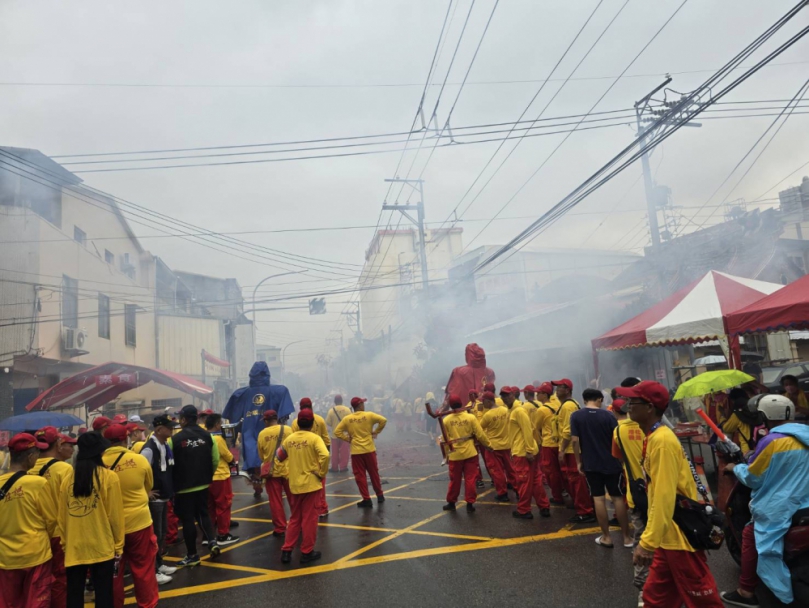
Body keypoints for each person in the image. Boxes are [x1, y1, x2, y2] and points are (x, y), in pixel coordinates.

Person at [617, 381, 723, 608]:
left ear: (649, 407)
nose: (627, 405)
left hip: (678, 537)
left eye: (632, 401)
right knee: (655, 599)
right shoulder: (654, 437)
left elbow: (664, 497)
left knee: (704, 600)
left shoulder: (662, 441)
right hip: (668, 537)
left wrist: (647, 542)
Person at [721, 393, 809, 607]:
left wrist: (736, 467)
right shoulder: (805, 434)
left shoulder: (771, 441)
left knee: (750, 534)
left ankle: (746, 591)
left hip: (782, 506)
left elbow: (754, 478)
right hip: (805, 502)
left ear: (764, 416)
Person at [59, 432, 125, 608]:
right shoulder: (109, 477)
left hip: (75, 547)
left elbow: (62, 517)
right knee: (104, 594)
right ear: (100, 452)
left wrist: (66, 544)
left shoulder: (67, 480)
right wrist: (118, 545)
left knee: (74, 594)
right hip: (102, 545)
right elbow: (115, 516)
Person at [100, 424, 160, 608]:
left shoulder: (98, 464)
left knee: (114, 573)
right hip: (139, 524)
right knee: (143, 568)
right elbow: (148, 486)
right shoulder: (139, 460)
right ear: (126, 438)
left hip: (109, 528)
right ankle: (148, 604)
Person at [0, 433, 57, 608]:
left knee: (8, 603)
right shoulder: (37, 483)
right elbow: (52, 521)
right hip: (35, 555)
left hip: (5, 557)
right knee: (36, 603)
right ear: (31, 456)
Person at [223, 361, 294, 499]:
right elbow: (284, 414)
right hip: (271, 431)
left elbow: (233, 416)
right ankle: (279, 487)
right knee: (276, 458)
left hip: (249, 433)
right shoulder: (278, 391)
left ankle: (257, 487)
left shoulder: (241, 393)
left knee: (254, 461)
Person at [570, 389, 631, 548]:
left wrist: (578, 461)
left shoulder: (576, 416)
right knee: (617, 497)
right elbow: (617, 438)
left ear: (584, 400)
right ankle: (627, 538)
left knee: (598, 499)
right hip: (612, 463)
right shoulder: (608, 415)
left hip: (591, 464)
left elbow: (575, 441)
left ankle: (606, 537)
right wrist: (621, 460)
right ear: (600, 399)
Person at [170, 405, 221, 566]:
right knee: (203, 514)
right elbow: (215, 460)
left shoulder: (175, 440)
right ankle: (212, 541)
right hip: (203, 484)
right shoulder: (208, 436)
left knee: (188, 520)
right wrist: (207, 475)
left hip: (183, 486)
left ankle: (192, 555)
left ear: (184, 419)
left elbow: (170, 464)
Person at [278, 409, 330, 565]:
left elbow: (279, 457)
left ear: (298, 423)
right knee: (309, 519)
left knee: (294, 518)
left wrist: (289, 470)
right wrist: (321, 472)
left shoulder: (289, 440)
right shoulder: (314, 439)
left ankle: (286, 551)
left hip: (294, 484)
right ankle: (306, 552)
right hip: (311, 484)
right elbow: (325, 455)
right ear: (313, 423)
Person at [29, 426, 73, 608]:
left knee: (37, 581)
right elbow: (71, 503)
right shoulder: (64, 469)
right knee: (60, 578)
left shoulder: (27, 467)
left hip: (33, 533)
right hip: (58, 532)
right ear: (58, 443)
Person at [610, 394, 648, 594]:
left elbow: (618, 457)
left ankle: (643, 582)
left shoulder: (618, 431)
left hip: (636, 490)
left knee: (641, 535)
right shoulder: (649, 427)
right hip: (655, 488)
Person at [138, 415, 177, 585]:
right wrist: (145, 491)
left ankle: (159, 564)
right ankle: (153, 570)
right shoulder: (149, 448)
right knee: (154, 536)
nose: (171, 430)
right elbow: (140, 471)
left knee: (161, 534)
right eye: (169, 427)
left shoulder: (164, 445)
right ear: (159, 429)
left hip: (163, 496)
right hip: (155, 499)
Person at [333, 397, 387, 508]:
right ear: (360, 405)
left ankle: (366, 499)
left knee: (360, 476)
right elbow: (383, 420)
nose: (364, 405)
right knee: (374, 473)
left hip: (356, 452)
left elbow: (337, 431)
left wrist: (348, 439)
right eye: (363, 403)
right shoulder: (369, 415)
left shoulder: (347, 419)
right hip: (369, 450)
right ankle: (380, 495)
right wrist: (375, 432)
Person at [505, 387, 550, 519]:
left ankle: (524, 510)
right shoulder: (513, 410)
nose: (504, 398)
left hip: (523, 452)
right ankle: (544, 507)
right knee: (535, 480)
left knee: (523, 481)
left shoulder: (519, 411)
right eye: (502, 395)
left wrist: (529, 450)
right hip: (527, 450)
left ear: (514, 395)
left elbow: (528, 430)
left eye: (507, 395)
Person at [441, 394, 492, 513]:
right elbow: (480, 434)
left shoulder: (446, 420)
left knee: (455, 480)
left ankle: (451, 502)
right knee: (470, 479)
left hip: (455, 454)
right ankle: (470, 503)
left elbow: (445, 439)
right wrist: (488, 445)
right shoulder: (470, 417)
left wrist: (446, 455)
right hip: (470, 453)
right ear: (461, 403)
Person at [556, 379, 595, 523]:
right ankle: (585, 508)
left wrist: (562, 449)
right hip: (574, 449)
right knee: (577, 481)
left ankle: (585, 512)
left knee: (577, 481)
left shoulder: (568, 406)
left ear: (567, 390)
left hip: (572, 450)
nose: (557, 389)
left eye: (560, 387)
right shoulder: (570, 404)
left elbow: (568, 430)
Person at [292, 398, 331, 518]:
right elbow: (326, 440)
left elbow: (293, 440)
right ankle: (322, 508)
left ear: (300, 407)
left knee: (301, 485)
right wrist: (325, 457)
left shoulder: (295, 422)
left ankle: (304, 510)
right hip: (317, 458)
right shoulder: (319, 419)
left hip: (301, 458)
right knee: (320, 485)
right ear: (311, 406)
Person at [206, 414, 239, 546]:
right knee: (223, 505)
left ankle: (209, 536)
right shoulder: (218, 439)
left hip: (207, 477)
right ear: (216, 424)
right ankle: (223, 534)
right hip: (220, 476)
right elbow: (227, 455)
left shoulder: (203, 437)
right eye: (220, 423)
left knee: (210, 507)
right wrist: (232, 460)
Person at [257, 410, 292, 537]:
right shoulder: (288, 430)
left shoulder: (262, 434)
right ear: (276, 418)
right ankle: (297, 524)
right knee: (294, 499)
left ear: (266, 421)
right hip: (288, 470)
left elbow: (261, 454)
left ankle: (280, 527)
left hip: (271, 472)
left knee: (275, 501)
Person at [480, 391, 515, 502]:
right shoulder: (506, 411)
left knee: (497, 471)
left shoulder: (488, 415)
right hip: (507, 445)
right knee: (511, 469)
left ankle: (502, 493)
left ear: (489, 401)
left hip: (493, 447)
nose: (482, 403)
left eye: (483, 401)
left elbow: (480, 430)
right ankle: (518, 490)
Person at [533, 382, 565, 505]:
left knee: (551, 472)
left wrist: (538, 444)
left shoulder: (542, 409)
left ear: (544, 395)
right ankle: (563, 490)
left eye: (538, 393)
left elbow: (537, 428)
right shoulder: (557, 404)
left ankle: (557, 496)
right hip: (559, 442)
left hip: (548, 443)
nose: (536, 395)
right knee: (561, 470)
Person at [444, 344, 496, 408]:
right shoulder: (490, 372)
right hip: (487, 409)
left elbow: (450, 395)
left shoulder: (459, 371)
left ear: (468, 355)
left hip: (466, 412)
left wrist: (440, 411)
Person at [722, 388, 761, 455]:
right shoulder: (757, 409)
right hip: (761, 445)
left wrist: (724, 418)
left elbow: (726, 428)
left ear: (734, 400)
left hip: (747, 450)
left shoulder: (737, 414)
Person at [325, 395, 352, 473]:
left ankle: (334, 467)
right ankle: (343, 467)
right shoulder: (347, 410)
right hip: (345, 435)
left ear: (334, 401)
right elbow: (350, 421)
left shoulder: (331, 411)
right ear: (342, 401)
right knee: (344, 452)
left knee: (335, 452)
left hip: (335, 435)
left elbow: (328, 422)